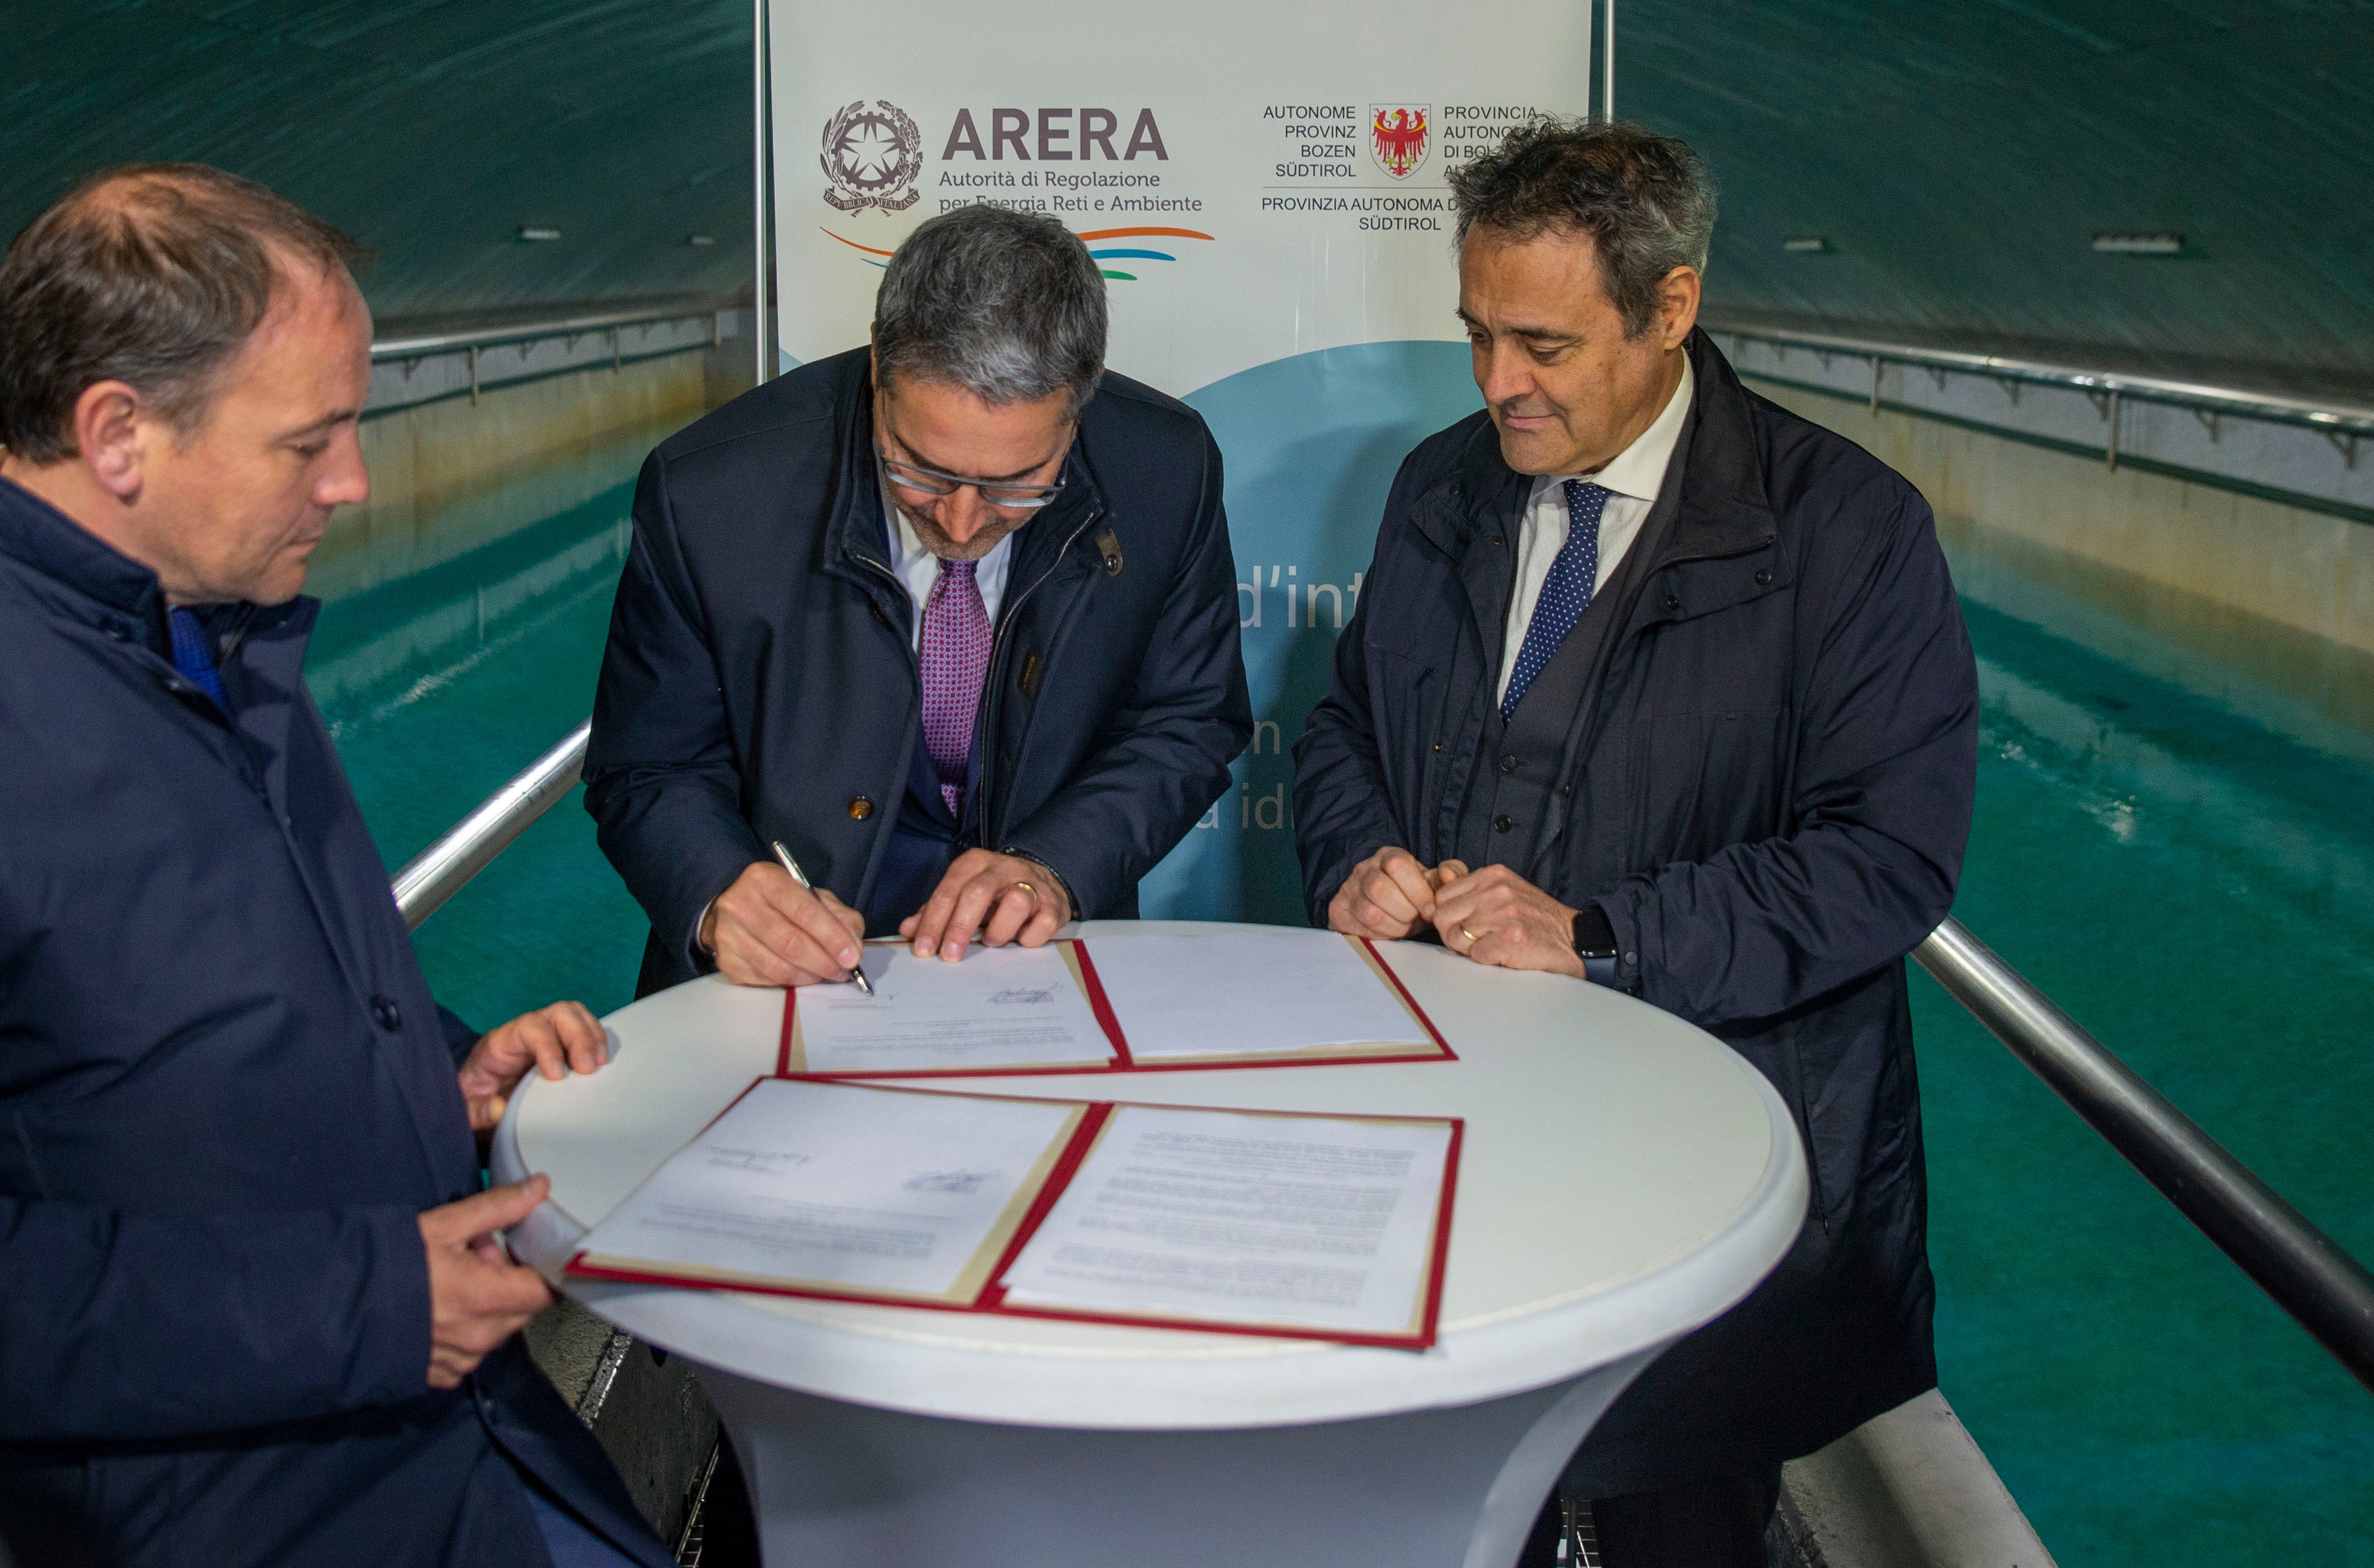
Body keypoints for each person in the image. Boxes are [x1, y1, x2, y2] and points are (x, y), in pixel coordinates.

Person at [1292, 120, 1978, 1566]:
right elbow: (1347, 727)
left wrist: (1603, 936)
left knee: (1682, 1519)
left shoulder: (1850, 532)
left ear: (1672, 310)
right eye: (1477, 333)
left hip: (1705, 1164)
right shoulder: (1441, 487)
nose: (1496, 384)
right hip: (1459, 1145)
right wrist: (1353, 857)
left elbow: (1890, 859)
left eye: (1542, 344)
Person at [0, 165, 670, 1568]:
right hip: (229, 1510)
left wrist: (432, 1068)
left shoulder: (211, 624)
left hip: (461, 1455)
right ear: (117, 435)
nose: (356, 482)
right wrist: (366, 1307)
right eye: (311, 440)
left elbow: (229, 986)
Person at [586, 205, 1250, 994]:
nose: (961, 521)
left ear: (1081, 406)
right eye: (919, 470)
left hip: (1040, 969)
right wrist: (720, 891)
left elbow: (1185, 718)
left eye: (1014, 484)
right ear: (878, 367)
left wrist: (1057, 863)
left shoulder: (1166, 468)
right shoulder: (709, 492)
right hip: (771, 988)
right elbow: (649, 765)